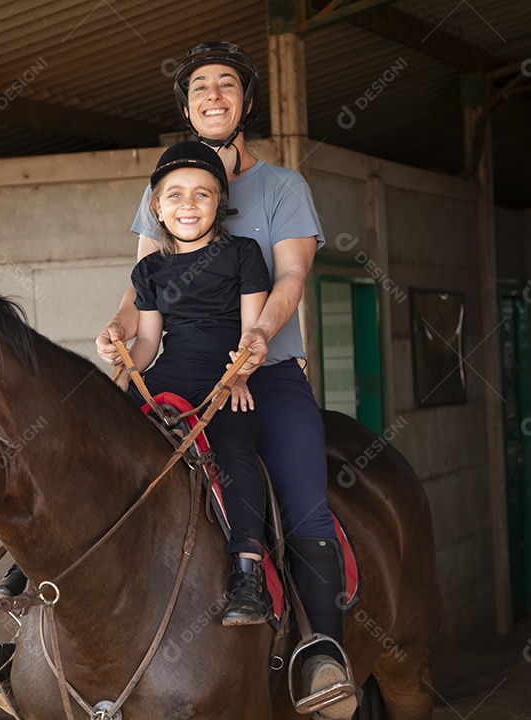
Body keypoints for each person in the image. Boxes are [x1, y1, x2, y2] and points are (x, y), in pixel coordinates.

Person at [95, 41, 355, 719]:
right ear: (185, 106)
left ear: (245, 103)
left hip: (259, 376)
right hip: (177, 369)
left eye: (227, 86)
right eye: (200, 88)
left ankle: (322, 652)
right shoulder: (166, 187)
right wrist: (119, 332)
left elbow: (292, 276)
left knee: (301, 496)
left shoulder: (283, 187)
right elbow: (141, 290)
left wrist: (258, 340)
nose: (213, 97)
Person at [121, 140, 273, 624]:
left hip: (226, 376)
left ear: (219, 204)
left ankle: (248, 570)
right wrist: (121, 355)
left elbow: (253, 329)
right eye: (175, 195)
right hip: (169, 373)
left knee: (234, 450)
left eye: (202, 194)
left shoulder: (243, 254)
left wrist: (240, 373)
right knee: (102, 431)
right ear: (157, 208)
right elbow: (147, 343)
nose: (188, 204)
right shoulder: (149, 269)